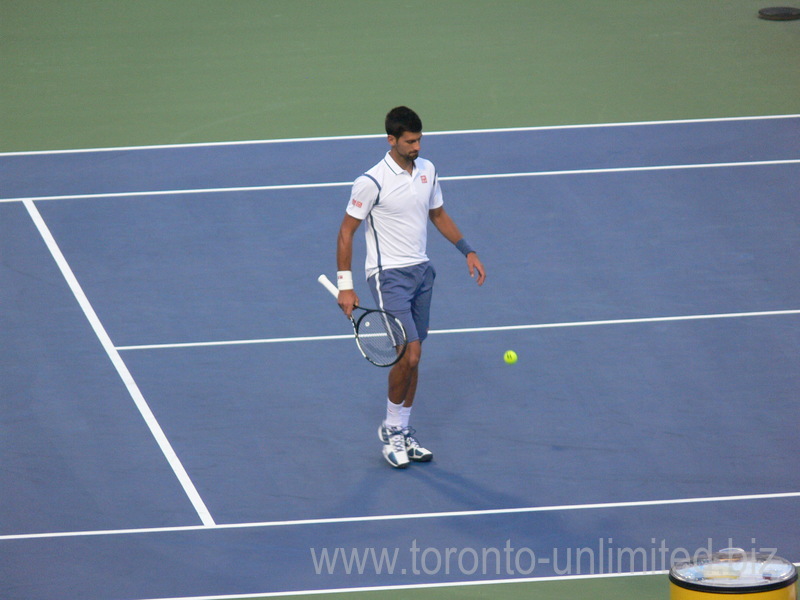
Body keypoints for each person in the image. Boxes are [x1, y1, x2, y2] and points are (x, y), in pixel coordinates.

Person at [335, 106, 486, 469]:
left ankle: (403, 429)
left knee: (415, 358)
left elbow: (438, 214)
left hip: (421, 273)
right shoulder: (370, 182)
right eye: (410, 141)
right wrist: (346, 286)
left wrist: (467, 250)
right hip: (388, 276)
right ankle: (390, 430)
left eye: (419, 140)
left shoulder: (428, 170)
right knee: (410, 354)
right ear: (391, 140)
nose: (417, 147)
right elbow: (346, 232)